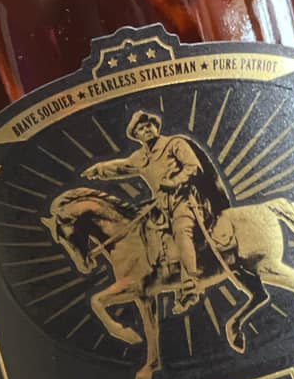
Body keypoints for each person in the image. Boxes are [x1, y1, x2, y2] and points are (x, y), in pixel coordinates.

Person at [84, 110, 228, 298]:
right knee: (142, 233)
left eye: (149, 125)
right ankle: (156, 276)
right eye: (141, 128)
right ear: (136, 136)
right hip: (161, 206)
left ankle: (191, 282)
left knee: (181, 230)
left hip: (185, 200)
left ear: (156, 127)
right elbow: (121, 166)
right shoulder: (140, 158)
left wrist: (175, 181)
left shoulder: (174, 144)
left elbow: (194, 167)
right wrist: (98, 170)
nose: (147, 129)